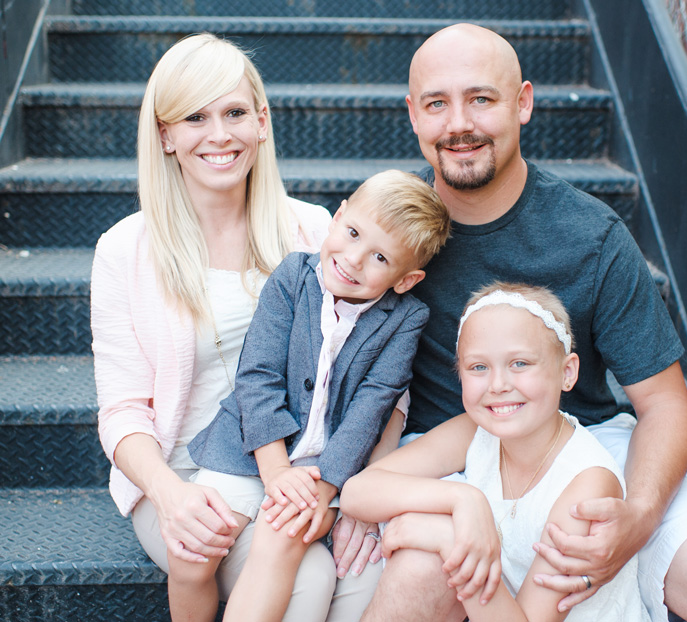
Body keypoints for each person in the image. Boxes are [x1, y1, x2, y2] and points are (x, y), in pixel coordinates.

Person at [357, 23, 687, 622]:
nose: (459, 124)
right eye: (437, 103)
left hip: (581, 442)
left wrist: (636, 516)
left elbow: (663, 402)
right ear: (413, 115)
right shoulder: (385, 237)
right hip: (447, 455)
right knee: (419, 580)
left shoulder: (590, 234)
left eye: (481, 98)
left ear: (523, 103)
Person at [91, 33, 386, 622]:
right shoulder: (125, 248)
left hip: (301, 470)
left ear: (262, 122)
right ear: (166, 135)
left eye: (233, 113)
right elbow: (122, 410)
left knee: (369, 580)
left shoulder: (314, 230)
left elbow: (368, 373)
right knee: (309, 580)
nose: (219, 135)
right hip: (186, 475)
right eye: (195, 117)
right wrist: (171, 498)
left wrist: (354, 489)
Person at [186, 169, 450, 622]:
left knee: (282, 533)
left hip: (325, 468)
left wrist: (326, 485)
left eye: (380, 258)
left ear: (406, 280)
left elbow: (372, 407)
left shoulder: (406, 318)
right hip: (251, 449)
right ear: (339, 215)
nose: (352, 259)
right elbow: (258, 376)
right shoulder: (293, 276)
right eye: (351, 234)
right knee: (193, 554)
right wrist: (274, 472)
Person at [343, 282, 654, 621]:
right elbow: (358, 492)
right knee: (419, 563)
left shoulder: (586, 484)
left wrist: (448, 540)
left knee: (435, 549)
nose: (498, 385)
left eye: (520, 363)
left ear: (567, 372)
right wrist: (463, 500)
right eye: (478, 367)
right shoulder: (477, 431)